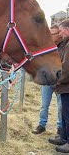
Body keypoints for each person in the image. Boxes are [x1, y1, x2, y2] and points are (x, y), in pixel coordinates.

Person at [32, 25, 63, 135]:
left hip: (60, 82)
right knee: (44, 105)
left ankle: (60, 128)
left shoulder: (64, 47)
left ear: (59, 35)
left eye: (52, 34)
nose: (49, 36)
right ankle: (42, 125)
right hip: (47, 81)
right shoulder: (45, 47)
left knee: (61, 107)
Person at [49, 19, 69, 153]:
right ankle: (63, 137)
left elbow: (66, 68)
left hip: (67, 85)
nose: (60, 34)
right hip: (65, 86)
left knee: (68, 115)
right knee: (64, 113)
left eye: (61, 31)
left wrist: (58, 80)